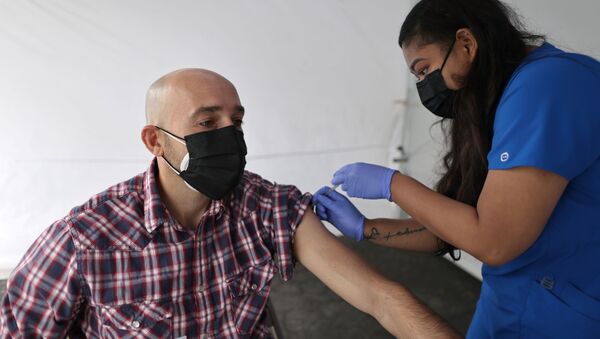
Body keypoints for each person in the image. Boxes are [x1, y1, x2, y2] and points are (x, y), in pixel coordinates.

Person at [0, 68, 460, 338]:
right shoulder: (85, 237)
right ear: (155, 142)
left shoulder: (264, 207)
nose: (230, 134)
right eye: (207, 121)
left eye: (235, 120)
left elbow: (380, 296)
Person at [313, 0, 600, 337]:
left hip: (560, 315)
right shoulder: (500, 97)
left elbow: (493, 240)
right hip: (509, 300)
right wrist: (367, 227)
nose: (424, 85)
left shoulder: (548, 86)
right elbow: (457, 225)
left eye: (424, 69)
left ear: (466, 42)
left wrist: (394, 185)